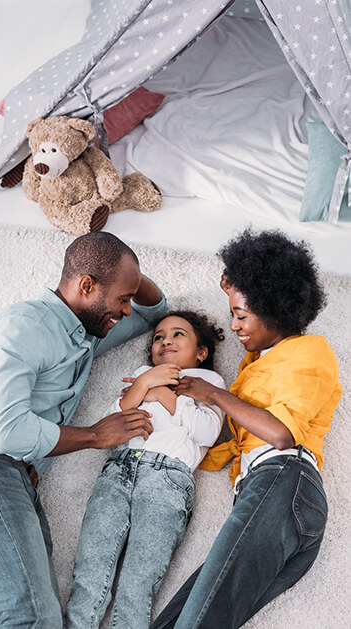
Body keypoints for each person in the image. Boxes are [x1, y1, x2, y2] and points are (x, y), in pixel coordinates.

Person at [0, 232, 168, 629]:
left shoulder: (85, 337)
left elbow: (155, 311)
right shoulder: (24, 325)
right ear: (86, 285)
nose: (127, 310)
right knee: (31, 620)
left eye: (128, 299)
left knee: (38, 621)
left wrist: (127, 272)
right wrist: (94, 436)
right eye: (121, 299)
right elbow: (6, 432)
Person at [151, 229, 342, 629]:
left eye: (241, 315)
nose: (234, 325)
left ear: (274, 310)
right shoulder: (252, 366)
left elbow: (281, 434)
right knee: (179, 620)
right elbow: (233, 439)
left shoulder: (311, 351)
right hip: (272, 499)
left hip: (285, 481)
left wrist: (214, 395)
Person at [66, 311, 226, 629]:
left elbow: (207, 432)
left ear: (201, 352)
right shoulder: (143, 374)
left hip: (166, 479)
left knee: (138, 581)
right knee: (90, 570)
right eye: (158, 337)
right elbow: (113, 421)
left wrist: (160, 392)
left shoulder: (207, 382)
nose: (165, 340)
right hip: (118, 470)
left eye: (178, 334)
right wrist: (144, 384)